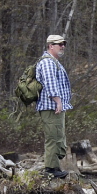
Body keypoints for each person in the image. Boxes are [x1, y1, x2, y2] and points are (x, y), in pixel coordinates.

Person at [34, 34, 72, 179]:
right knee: (53, 137)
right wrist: (58, 101)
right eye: (59, 44)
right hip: (51, 106)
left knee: (58, 137)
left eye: (63, 44)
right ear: (50, 46)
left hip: (56, 106)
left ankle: (55, 166)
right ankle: (50, 170)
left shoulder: (54, 61)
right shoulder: (48, 62)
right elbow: (50, 84)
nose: (62, 46)